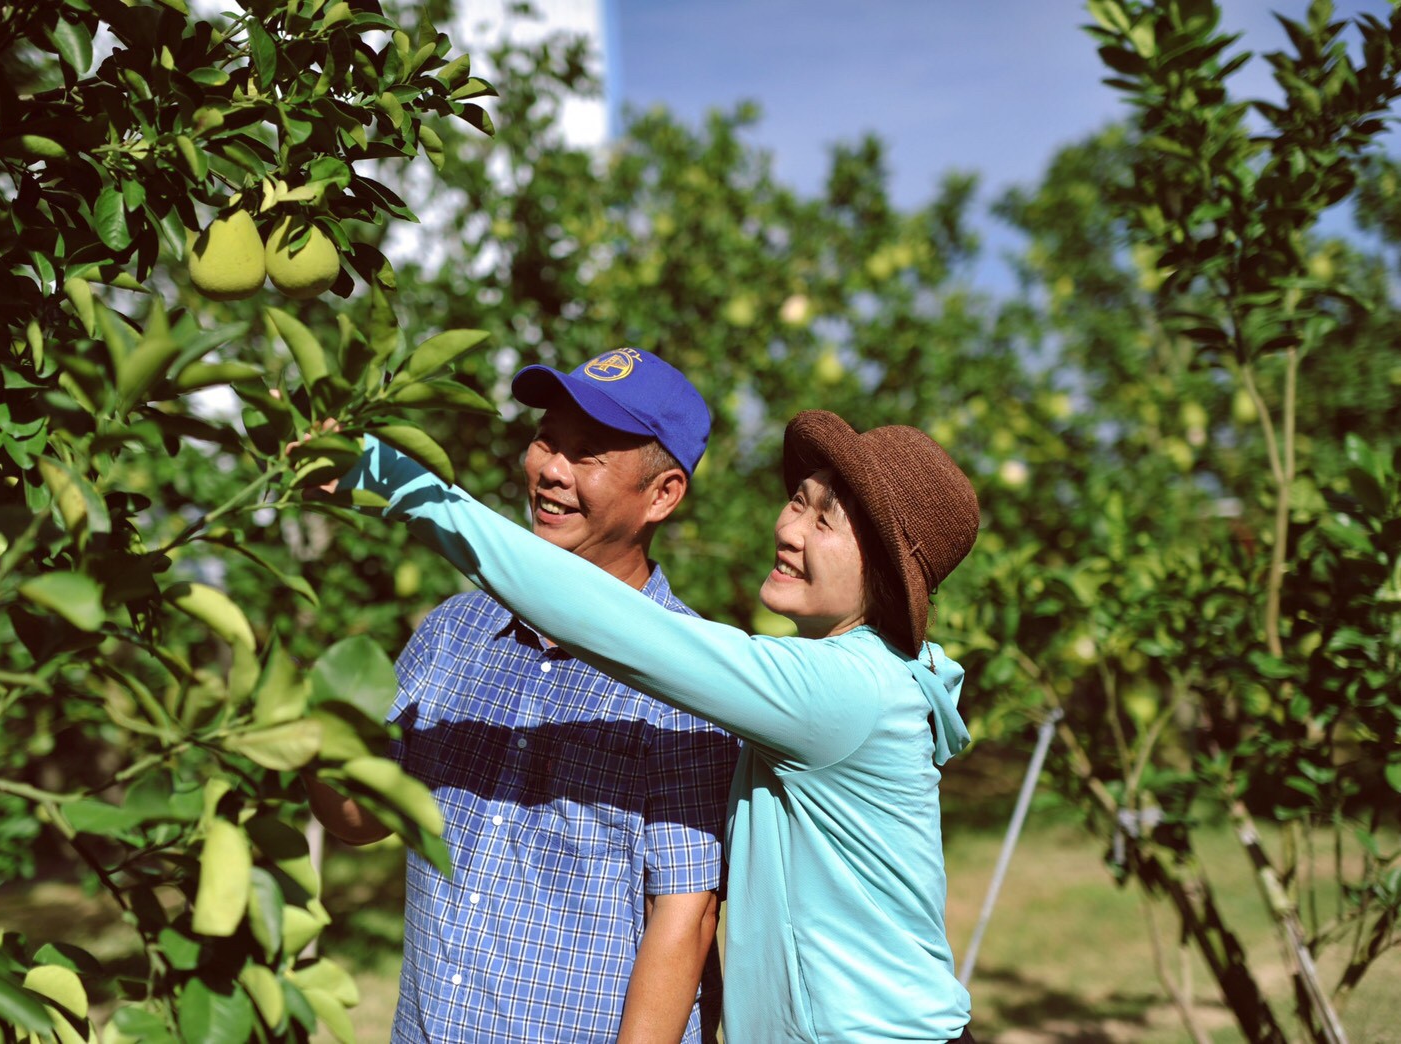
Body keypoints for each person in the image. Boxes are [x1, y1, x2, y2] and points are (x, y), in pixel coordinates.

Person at [340, 408, 982, 1043]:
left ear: (888, 577)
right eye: (797, 501)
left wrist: (389, 478)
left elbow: (613, 624)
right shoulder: (867, 679)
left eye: (825, 521)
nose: (790, 530)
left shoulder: (844, 691)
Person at [305, 348, 740, 1043]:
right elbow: (362, 819)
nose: (549, 470)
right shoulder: (456, 629)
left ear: (661, 495)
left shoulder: (690, 679)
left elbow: (684, 920)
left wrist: (381, 472)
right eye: (546, 439)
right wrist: (309, 737)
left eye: (586, 453)